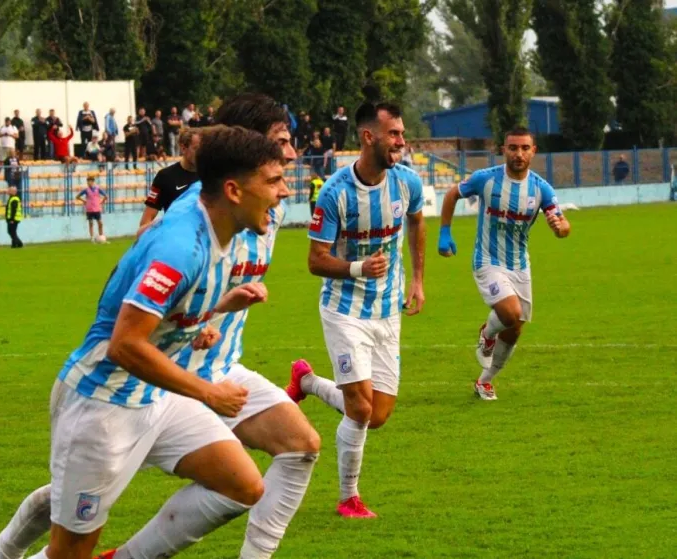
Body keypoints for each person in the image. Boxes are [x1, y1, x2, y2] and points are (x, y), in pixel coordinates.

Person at [0, 125, 289, 559]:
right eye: (274, 181)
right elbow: (124, 345)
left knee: (242, 485)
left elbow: (170, 306)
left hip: (155, 396)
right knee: (69, 553)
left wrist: (220, 306)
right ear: (234, 190)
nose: (285, 191)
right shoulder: (182, 246)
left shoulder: (222, 226)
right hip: (101, 404)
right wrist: (209, 392)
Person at [104, 93, 321, 559]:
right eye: (281, 143)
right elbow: (136, 288)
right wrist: (199, 317)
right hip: (166, 375)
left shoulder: (269, 204)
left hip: (219, 367)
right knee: (78, 497)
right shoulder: (191, 216)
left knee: (299, 446)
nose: (290, 155)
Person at [290, 100, 426, 519]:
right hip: (344, 310)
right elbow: (316, 260)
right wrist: (357, 268)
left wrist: (418, 279)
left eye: (402, 134)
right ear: (369, 137)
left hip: (387, 312)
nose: (401, 142)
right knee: (361, 409)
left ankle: (308, 382)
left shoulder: (407, 183)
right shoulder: (334, 193)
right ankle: (349, 497)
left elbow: (418, 222)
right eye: (395, 135)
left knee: (378, 414)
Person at [437, 126, 571, 401]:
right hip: (487, 260)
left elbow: (563, 224)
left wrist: (560, 227)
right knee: (509, 313)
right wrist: (445, 232)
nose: (518, 153)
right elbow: (452, 194)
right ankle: (487, 335)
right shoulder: (485, 179)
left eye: (525, 148)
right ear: (503, 150)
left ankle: (484, 381)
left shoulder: (541, 188)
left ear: (533, 151)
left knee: (516, 327)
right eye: (513, 148)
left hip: (520, 265)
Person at [139, 128, 201, 227]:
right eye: (196, 148)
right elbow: (146, 221)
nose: (201, 153)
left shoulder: (210, 176)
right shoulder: (165, 177)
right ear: (183, 148)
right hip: (177, 240)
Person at [76, 176, 108, 243]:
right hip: (89, 209)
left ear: (93, 182)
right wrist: (84, 201)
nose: (88, 183)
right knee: (91, 223)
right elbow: (77, 197)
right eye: (87, 181)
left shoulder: (98, 189)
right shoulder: (86, 190)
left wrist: (102, 202)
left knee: (100, 223)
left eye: (89, 181)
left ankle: (101, 236)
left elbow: (106, 196)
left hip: (97, 209)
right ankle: (92, 238)